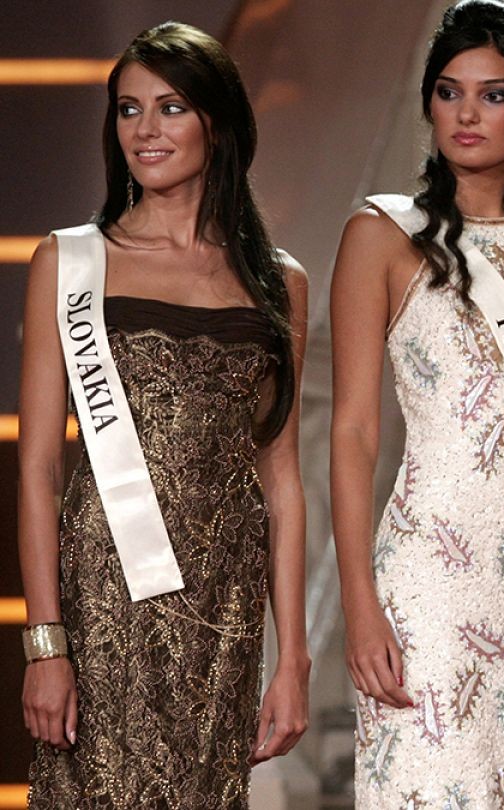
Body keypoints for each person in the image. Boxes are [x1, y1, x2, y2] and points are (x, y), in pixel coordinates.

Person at [19, 21, 310, 807]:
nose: (145, 130)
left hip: (224, 602)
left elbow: (281, 479)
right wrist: (45, 644)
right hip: (103, 596)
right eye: (128, 109)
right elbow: (38, 469)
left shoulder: (278, 282)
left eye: (170, 107)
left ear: (218, 123)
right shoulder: (70, 262)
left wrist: (292, 657)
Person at [329, 1, 504, 805]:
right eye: (449, 92)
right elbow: (352, 432)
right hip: (429, 581)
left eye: (494, 95)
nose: (467, 113)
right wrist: (359, 604)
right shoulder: (385, 235)